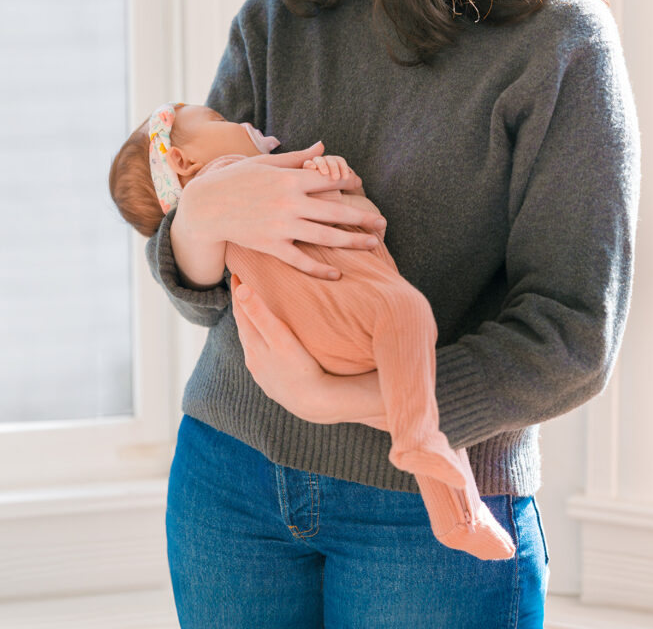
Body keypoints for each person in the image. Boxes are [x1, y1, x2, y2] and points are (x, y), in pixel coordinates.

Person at [143, 0, 641, 629]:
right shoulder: (279, 16)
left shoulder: (559, 47)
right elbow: (202, 284)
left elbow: (571, 336)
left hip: (429, 517)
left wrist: (350, 402)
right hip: (229, 476)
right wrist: (202, 225)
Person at [108, 101, 517, 561]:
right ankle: (430, 460)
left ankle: (459, 516)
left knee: (413, 412)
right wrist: (330, 175)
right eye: (219, 122)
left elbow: (356, 216)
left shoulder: (222, 212)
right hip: (336, 315)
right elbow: (354, 213)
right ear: (183, 162)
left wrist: (343, 184)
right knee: (409, 315)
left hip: (306, 344)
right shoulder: (230, 173)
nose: (243, 121)